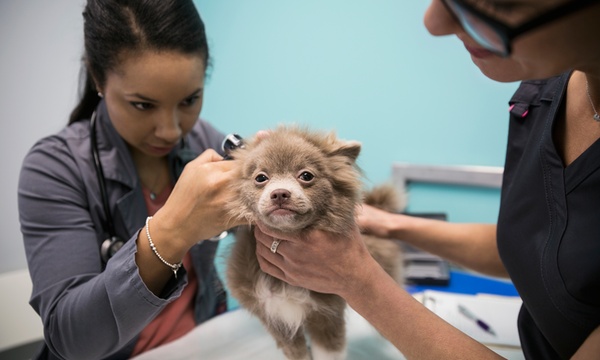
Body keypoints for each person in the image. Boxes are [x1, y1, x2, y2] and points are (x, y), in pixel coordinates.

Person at [253, 0, 600, 359]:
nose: (434, 22)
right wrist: (390, 224)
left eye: (492, 1)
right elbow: (539, 244)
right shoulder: (545, 89)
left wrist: (357, 281)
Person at [18, 0, 243, 359]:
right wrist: (173, 230)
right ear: (97, 77)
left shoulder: (203, 142)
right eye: (143, 105)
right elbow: (71, 338)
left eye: (190, 100)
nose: (171, 131)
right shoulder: (55, 168)